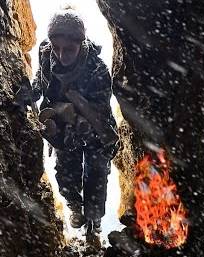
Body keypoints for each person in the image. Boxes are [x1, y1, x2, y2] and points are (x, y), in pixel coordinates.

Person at [31, 7, 119, 234]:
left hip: (94, 131)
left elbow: (99, 111)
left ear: (81, 44)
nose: (61, 55)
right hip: (62, 131)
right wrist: (31, 93)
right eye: (57, 48)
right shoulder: (46, 55)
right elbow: (41, 81)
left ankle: (94, 219)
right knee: (66, 173)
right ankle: (74, 206)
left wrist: (77, 113)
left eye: (69, 49)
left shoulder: (97, 70)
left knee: (97, 177)